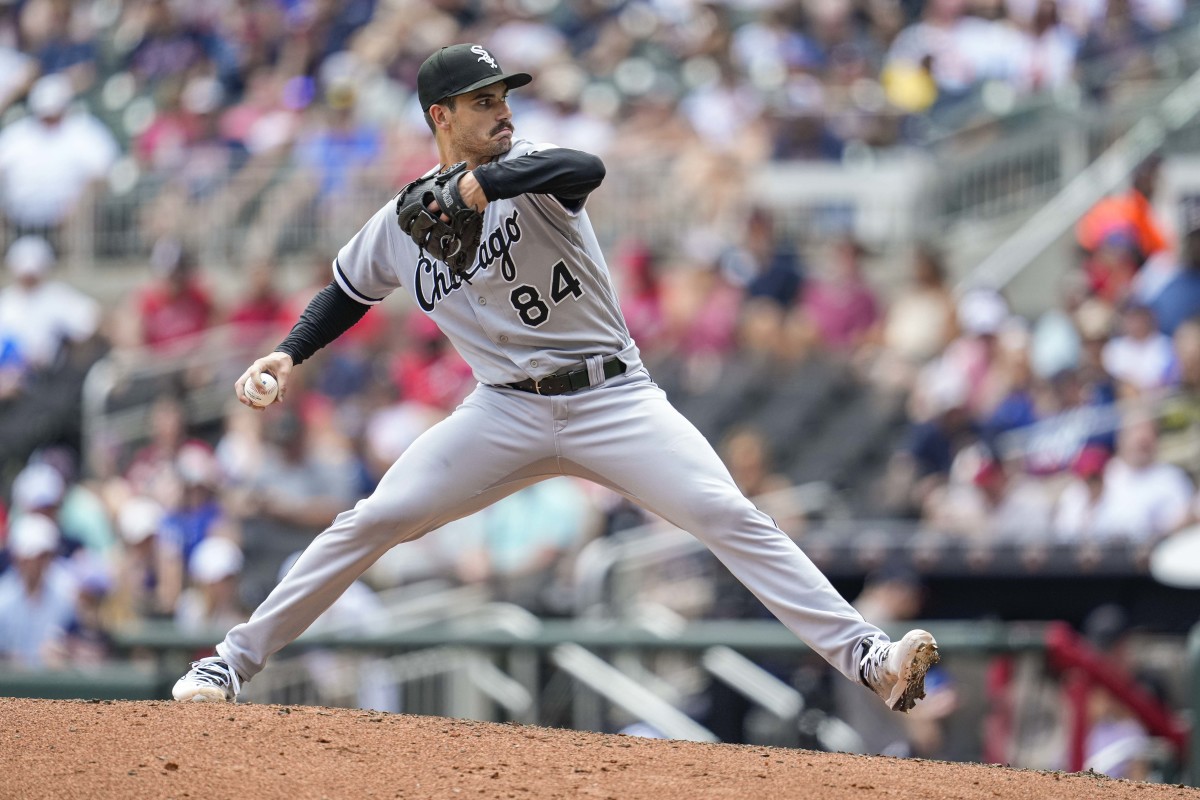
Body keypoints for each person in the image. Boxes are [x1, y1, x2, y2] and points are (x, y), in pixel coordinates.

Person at [172, 43, 939, 712]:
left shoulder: (532, 169)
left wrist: (482, 187)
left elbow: (586, 167)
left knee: (727, 513)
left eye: (504, 97)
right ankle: (228, 663)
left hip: (612, 398)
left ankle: (870, 659)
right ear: (441, 115)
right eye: (482, 102)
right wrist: (289, 352)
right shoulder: (403, 222)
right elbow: (346, 291)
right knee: (373, 520)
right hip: (502, 413)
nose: (502, 111)